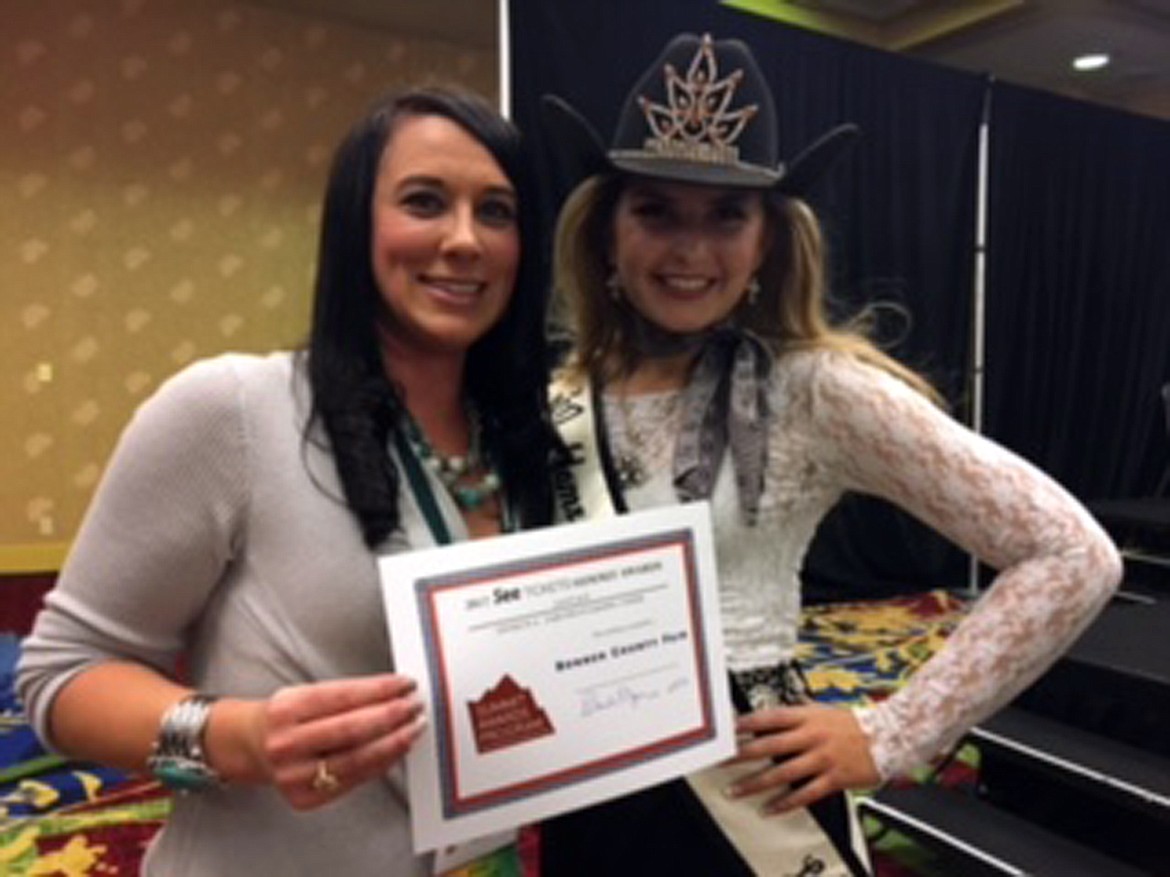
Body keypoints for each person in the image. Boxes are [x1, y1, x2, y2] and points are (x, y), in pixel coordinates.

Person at [538, 33, 1122, 876]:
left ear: (767, 242)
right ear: (605, 233)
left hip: (747, 785)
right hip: (590, 782)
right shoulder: (559, 396)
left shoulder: (815, 389)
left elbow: (1073, 554)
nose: (690, 249)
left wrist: (892, 731)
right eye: (656, 209)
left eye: (726, 215)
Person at [17, 86, 558, 876]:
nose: (465, 240)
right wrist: (236, 738)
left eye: (498, 212)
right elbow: (60, 675)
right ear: (355, 226)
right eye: (424, 201)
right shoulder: (235, 409)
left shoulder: (534, 438)